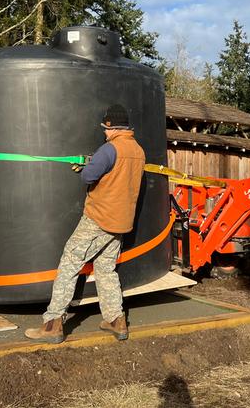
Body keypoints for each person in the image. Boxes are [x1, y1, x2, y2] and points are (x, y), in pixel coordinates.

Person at [25, 104, 145, 343]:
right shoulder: (138, 150)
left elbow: (89, 176)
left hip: (98, 219)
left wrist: (88, 167)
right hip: (121, 222)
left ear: (110, 127)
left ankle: (52, 324)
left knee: (70, 262)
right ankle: (115, 320)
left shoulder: (109, 149)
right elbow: (117, 176)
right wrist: (95, 164)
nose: (104, 133)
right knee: (105, 269)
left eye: (105, 129)